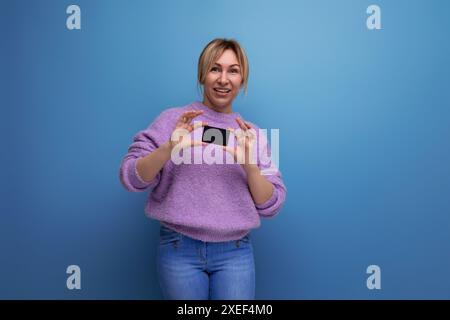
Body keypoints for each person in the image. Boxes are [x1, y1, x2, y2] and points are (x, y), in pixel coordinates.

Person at [119, 38, 286, 300]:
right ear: (202, 74)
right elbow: (131, 177)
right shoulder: (173, 121)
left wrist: (250, 168)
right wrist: (169, 148)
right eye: (215, 69)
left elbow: (272, 204)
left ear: (243, 79)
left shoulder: (251, 135)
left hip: (235, 251)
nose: (223, 79)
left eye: (233, 70)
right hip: (178, 248)